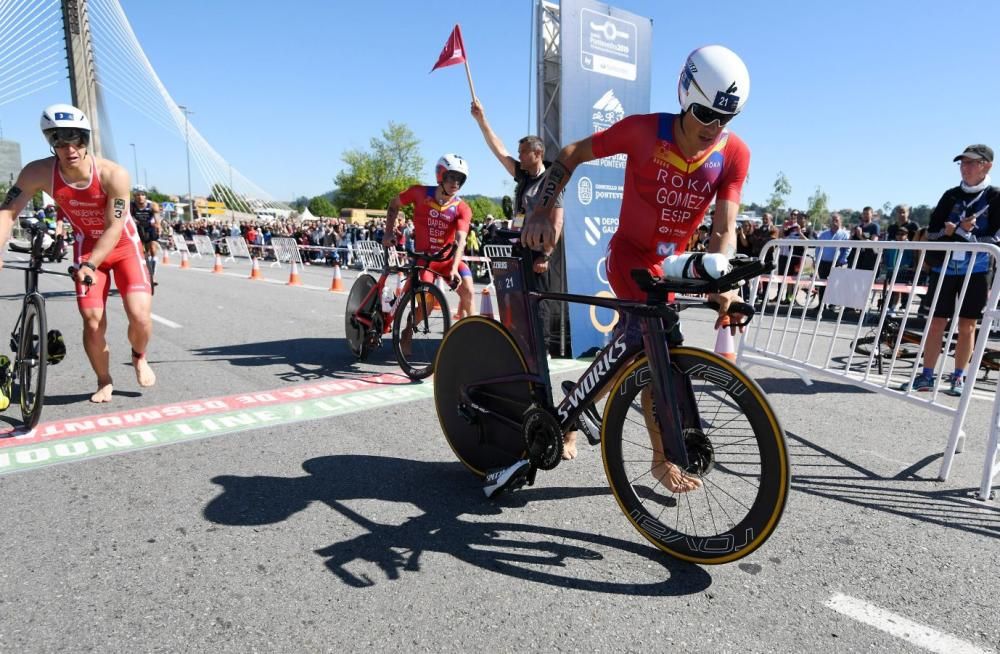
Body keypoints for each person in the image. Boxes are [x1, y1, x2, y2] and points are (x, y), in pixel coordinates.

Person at [521, 45, 752, 492]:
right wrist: (543, 208)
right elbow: (570, 153)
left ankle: (575, 404)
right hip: (629, 255)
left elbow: (724, 228)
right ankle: (662, 458)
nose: (714, 128)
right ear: (686, 94)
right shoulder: (644, 131)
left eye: (727, 118)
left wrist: (724, 285)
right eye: (705, 113)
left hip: (670, 263)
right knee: (652, 345)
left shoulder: (735, 154)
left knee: (642, 354)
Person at [0, 103, 155, 403]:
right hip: (86, 245)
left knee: (140, 316)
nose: (70, 147)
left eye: (77, 138)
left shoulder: (114, 175)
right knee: (93, 320)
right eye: (59, 139)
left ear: (87, 138)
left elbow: (114, 227)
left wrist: (90, 264)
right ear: (50, 141)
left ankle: (139, 355)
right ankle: (104, 379)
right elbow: (7, 213)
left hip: (122, 247)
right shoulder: (38, 172)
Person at [470, 101, 567, 358]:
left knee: (539, 303)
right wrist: (482, 121)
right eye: (519, 152)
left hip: (539, 253)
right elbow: (499, 151)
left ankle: (542, 350)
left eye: (523, 152)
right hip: (519, 247)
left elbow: (557, 221)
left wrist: (546, 255)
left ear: (537, 153)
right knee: (518, 300)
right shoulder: (523, 176)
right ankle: (520, 347)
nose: (519, 156)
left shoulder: (551, 180)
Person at [901, 144, 1000, 396]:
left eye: (971, 163)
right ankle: (926, 376)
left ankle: (958, 378)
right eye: (962, 163)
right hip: (945, 268)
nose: (965, 168)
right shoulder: (950, 195)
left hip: (977, 270)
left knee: (967, 325)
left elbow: (996, 239)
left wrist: (967, 234)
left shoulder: (996, 196)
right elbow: (930, 232)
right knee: (936, 322)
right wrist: (948, 233)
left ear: (987, 165)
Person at [384, 154, 475, 343]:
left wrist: (453, 268)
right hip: (425, 260)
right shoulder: (419, 192)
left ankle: (474, 337)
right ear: (440, 175)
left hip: (449, 259)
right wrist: (388, 232)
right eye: (451, 177)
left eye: (460, 179)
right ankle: (407, 332)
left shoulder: (462, 208)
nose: (455, 183)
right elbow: (394, 204)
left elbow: (461, 239)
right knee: (427, 303)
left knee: (469, 290)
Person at [812, 212, 850, 313]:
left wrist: (842, 260)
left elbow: (847, 249)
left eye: (836, 220)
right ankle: (821, 304)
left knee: (835, 284)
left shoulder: (844, 235)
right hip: (823, 262)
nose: (834, 222)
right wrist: (817, 259)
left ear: (840, 222)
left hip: (837, 263)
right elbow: (818, 248)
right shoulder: (824, 234)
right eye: (832, 220)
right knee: (822, 284)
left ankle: (832, 305)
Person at [131, 185, 161, 289]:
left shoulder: (152, 205)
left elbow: (157, 221)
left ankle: (153, 275)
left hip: (149, 228)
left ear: (145, 196)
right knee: (138, 253)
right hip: (137, 228)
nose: (140, 197)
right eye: (138, 195)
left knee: (153, 249)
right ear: (134, 196)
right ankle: (140, 273)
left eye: (143, 194)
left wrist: (158, 227)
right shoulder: (131, 205)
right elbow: (128, 218)